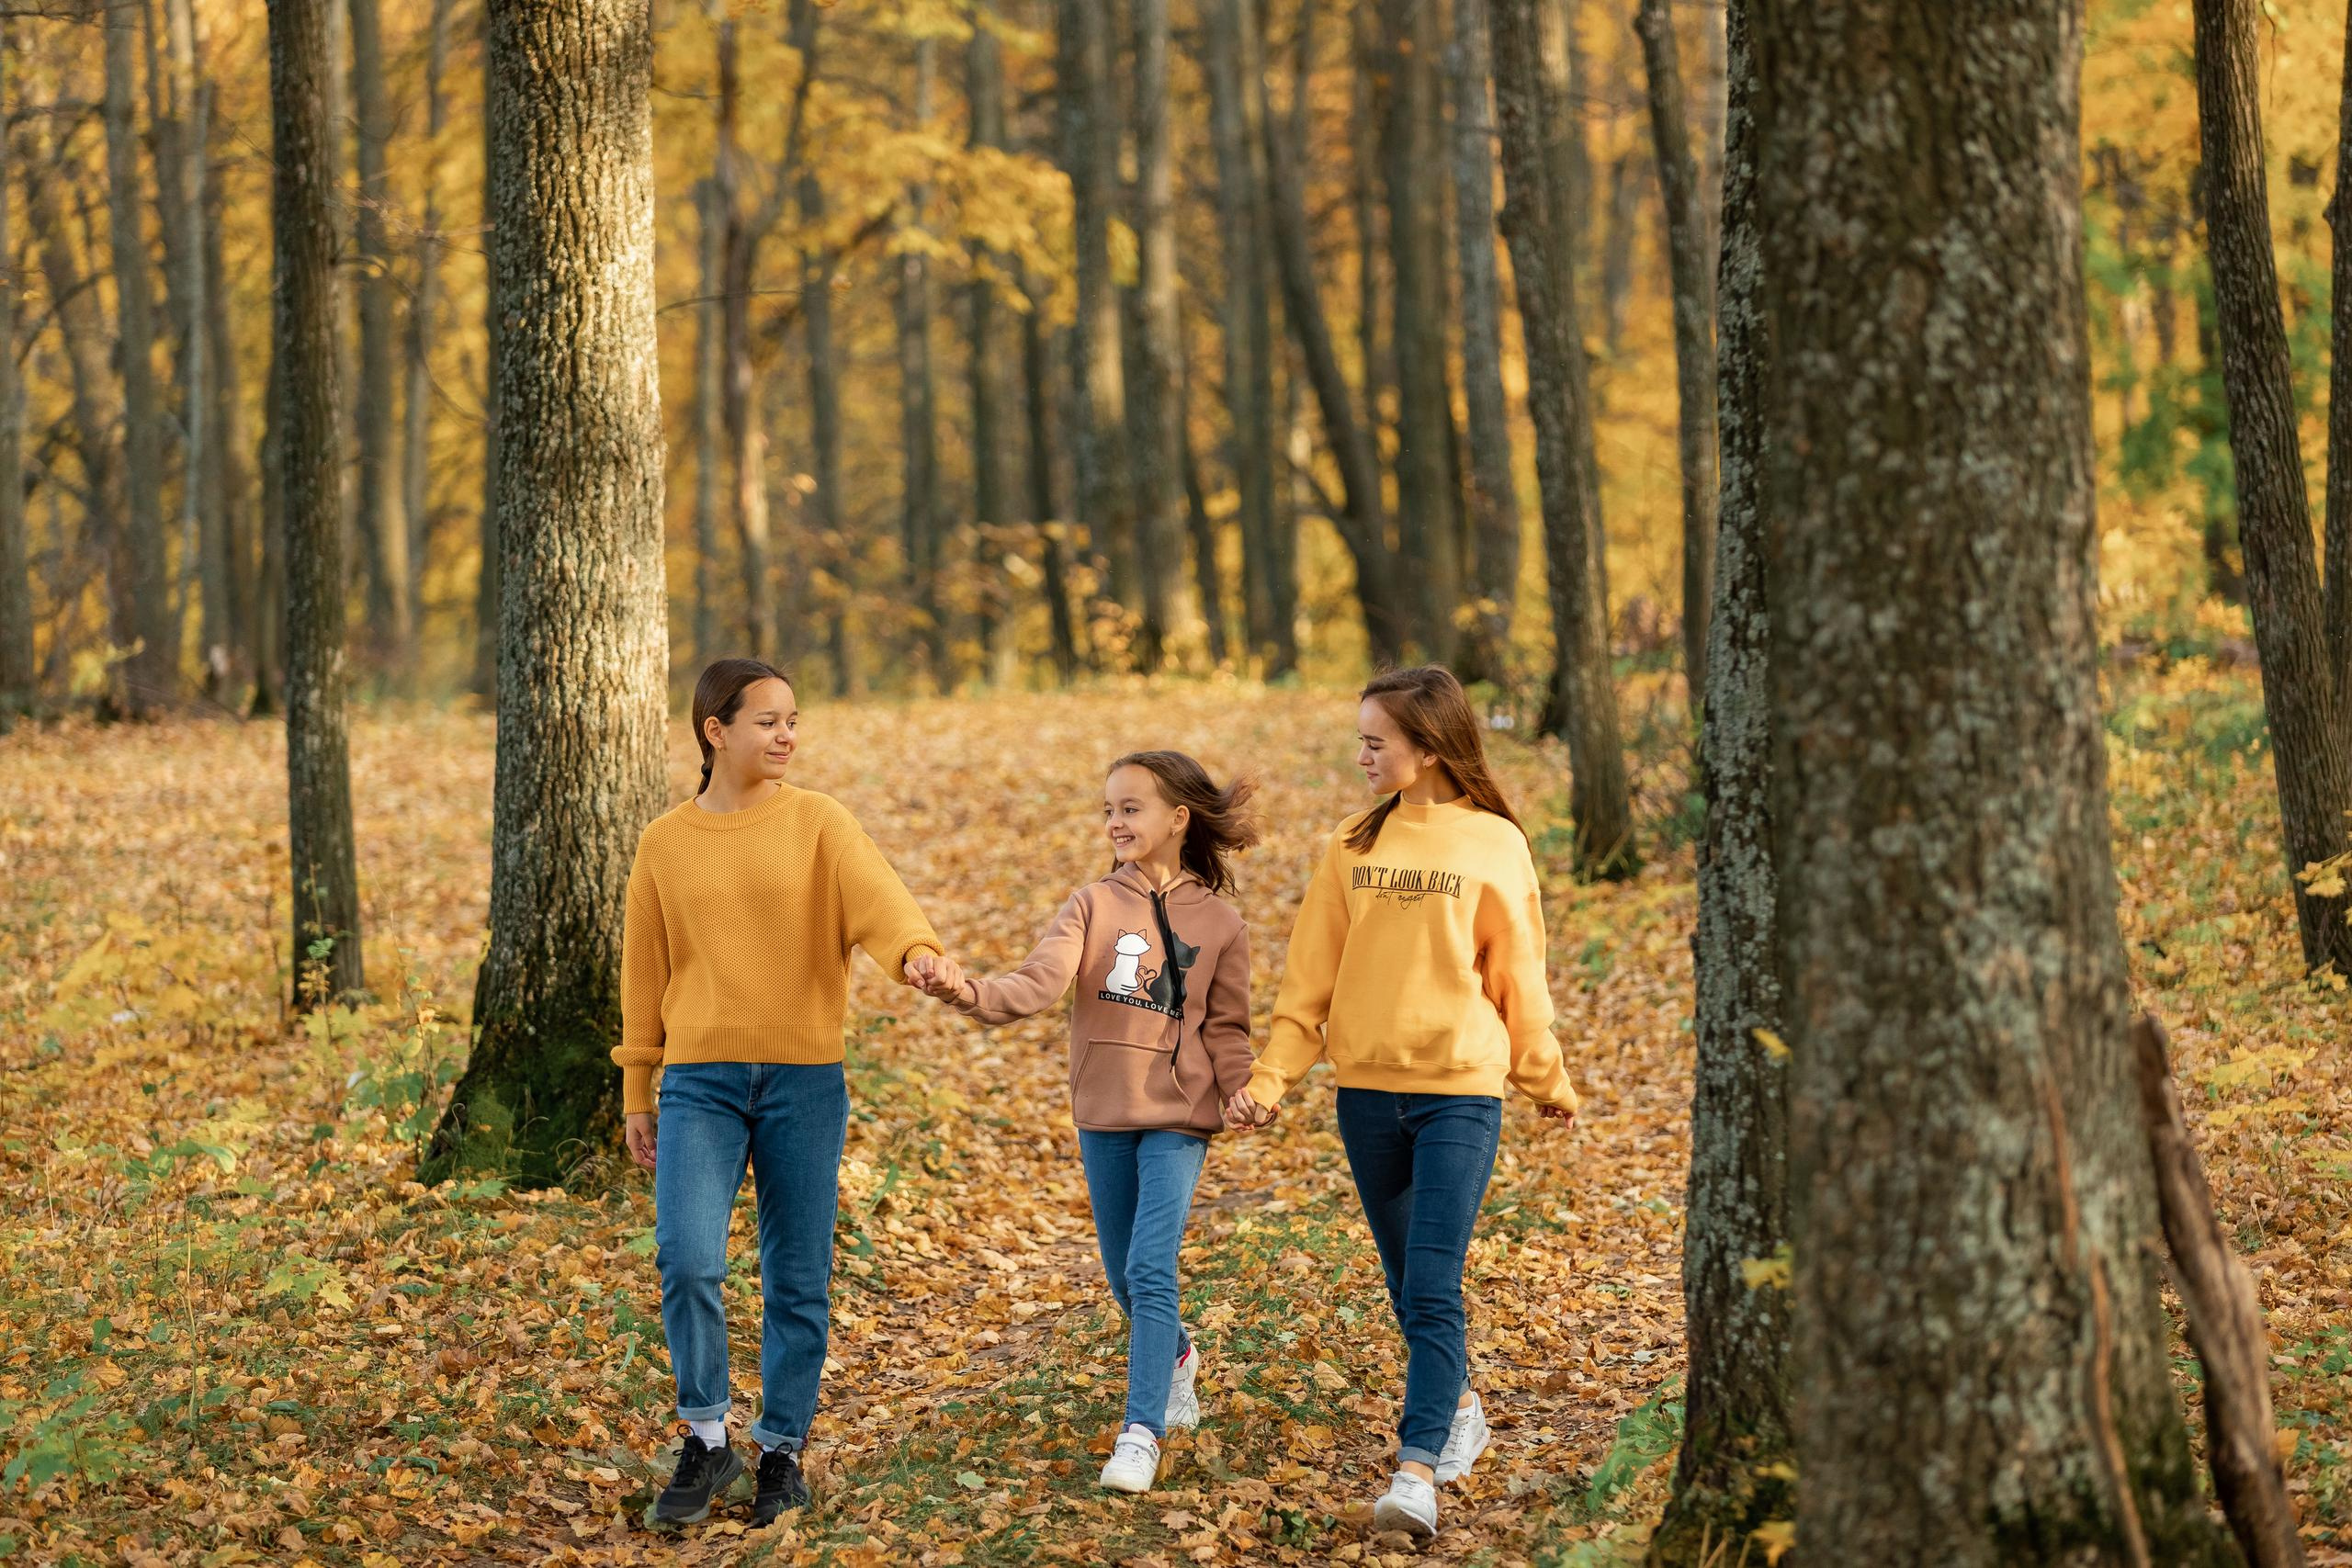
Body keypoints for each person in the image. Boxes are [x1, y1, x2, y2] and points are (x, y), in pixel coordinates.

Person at [1222, 666, 1577, 1540]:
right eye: (1360, 739)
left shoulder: (1494, 842)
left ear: (1427, 747)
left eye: (1375, 741)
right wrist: (1270, 1078)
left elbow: (1517, 975)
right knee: (1404, 1280)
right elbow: (1311, 981)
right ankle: (1457, 1403)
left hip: (1459, 1092)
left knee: (1429, 1279)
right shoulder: (1350, 843)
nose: (1362, 755)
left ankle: (1415, 1472)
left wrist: (1545, 1075)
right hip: (1368, 1094)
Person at [616, 657, 951, 1529]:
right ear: (713, 730)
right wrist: (636, 1087)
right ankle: (704, 1436)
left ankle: (782, 1451)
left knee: (796, 1275)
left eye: (793, 719)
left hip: (805, 1081)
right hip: (699, 1080)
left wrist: (914, 951)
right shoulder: (664, 842)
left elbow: (879, 902)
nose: (787, 735)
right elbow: (643, 971)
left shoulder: (819, 822)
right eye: (767, 721)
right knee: (688, 1258)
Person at [912, 750, 1258, 1495]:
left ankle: (1141, 1432)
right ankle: (1176, 1357)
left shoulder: (1222, 923)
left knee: (1148, 1266)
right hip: (1104, 1109)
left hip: (1180, 1115)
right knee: (1122, 1278)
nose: (1115, 822)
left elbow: (1227, 1028)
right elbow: (1036, 982)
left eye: (1131, 808)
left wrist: (1240, 1090)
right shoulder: (1093, 905)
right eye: (1109, 809)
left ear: (1177, 818)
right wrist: (964, 989)